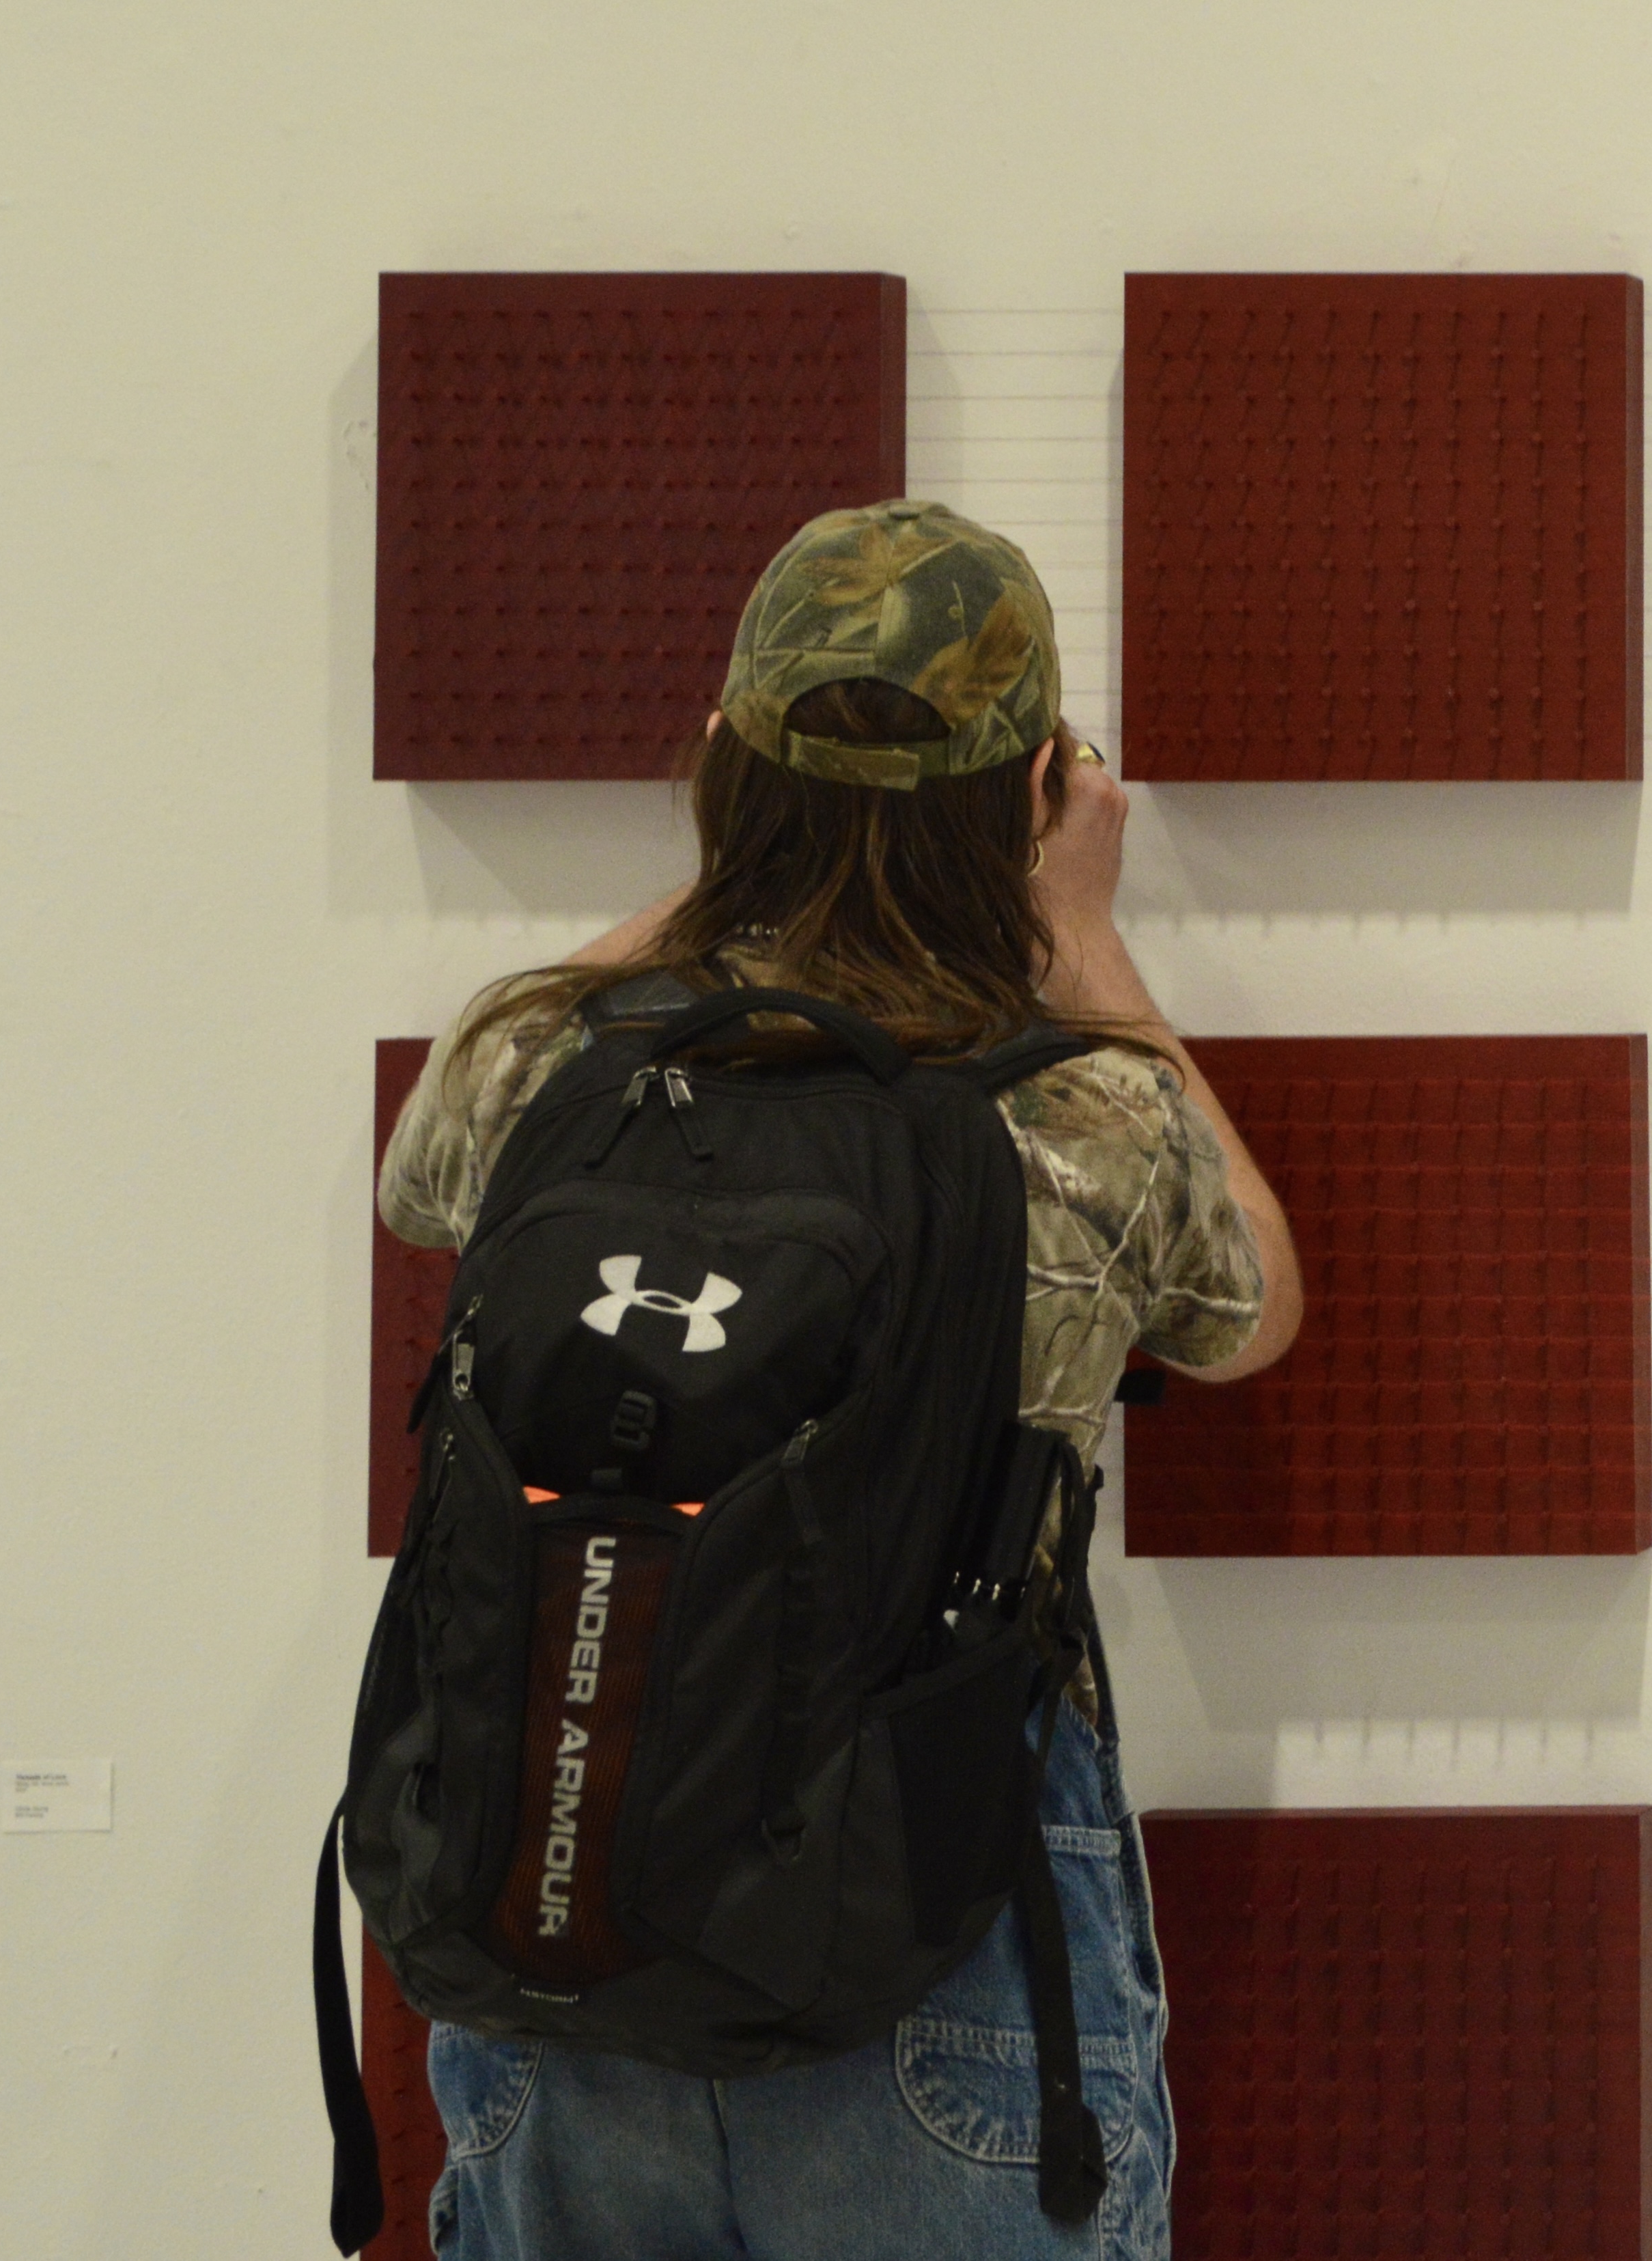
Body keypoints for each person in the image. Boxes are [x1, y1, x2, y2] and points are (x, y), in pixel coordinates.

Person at [373, 499, 1303, 2260]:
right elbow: (1247, 1306)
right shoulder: (1076, 1117)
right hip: (930, 1928)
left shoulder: (540, 1064)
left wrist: (748, 857)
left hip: (550, 1914)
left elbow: (419, 1178)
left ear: (726, 761)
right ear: (1034, 791)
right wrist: (1081, 930)